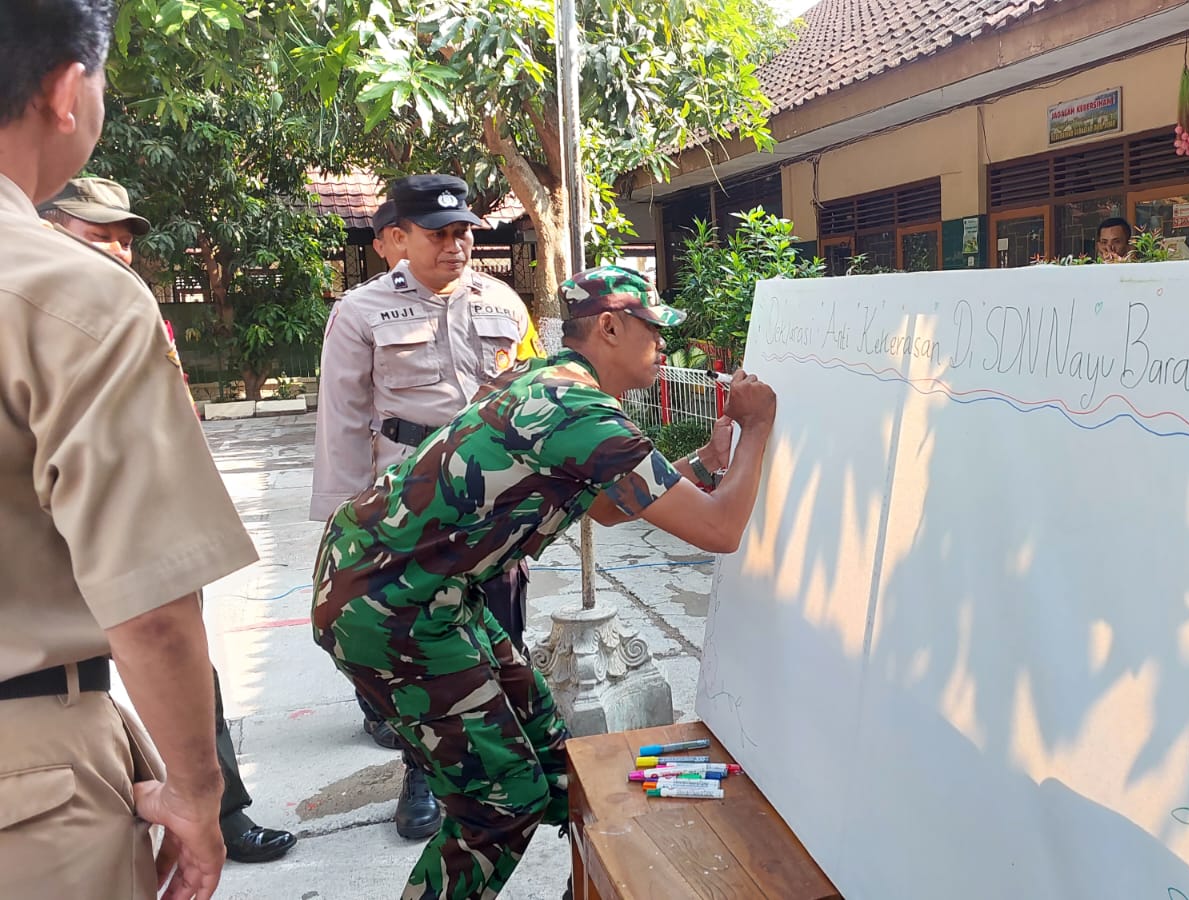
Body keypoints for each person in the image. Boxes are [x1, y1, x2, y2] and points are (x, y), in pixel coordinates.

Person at [310, 265, 775, 899]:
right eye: (653, 329)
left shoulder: (546, 382)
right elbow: (721, 530)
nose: (662, 344)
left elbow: (610, 506)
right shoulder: (576, 410)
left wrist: (709, 461)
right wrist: (757, 430)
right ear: (610, 328)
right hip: (393, 606)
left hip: (426, 590)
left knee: (554, 757)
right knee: (501, 805)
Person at [0, 2, 261, 898]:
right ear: (65, 90)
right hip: (27, 784)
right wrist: (197, 794)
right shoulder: (69, 297)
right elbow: (150, 604)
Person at [37, 177, 299, 865]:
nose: (119, 250)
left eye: (125, 238)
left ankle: (223, 810)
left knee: (189, 676)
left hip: (143, 518)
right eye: (99, 234)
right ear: (48, 227)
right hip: (64, 548)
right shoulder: (43, 306)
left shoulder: (133, 309)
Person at [311, 174, 539, 840]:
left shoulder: (503, 302)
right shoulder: (360, 313)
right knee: (417, 649)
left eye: (463, 231)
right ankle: (423, 772)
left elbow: (530, 393)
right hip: (408, 507)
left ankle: (499, 764)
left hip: (496, 505)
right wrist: (347, 525)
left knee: (500, 632)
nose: (456, 244)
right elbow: (343, 421)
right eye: (439, 233)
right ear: (399, 239)